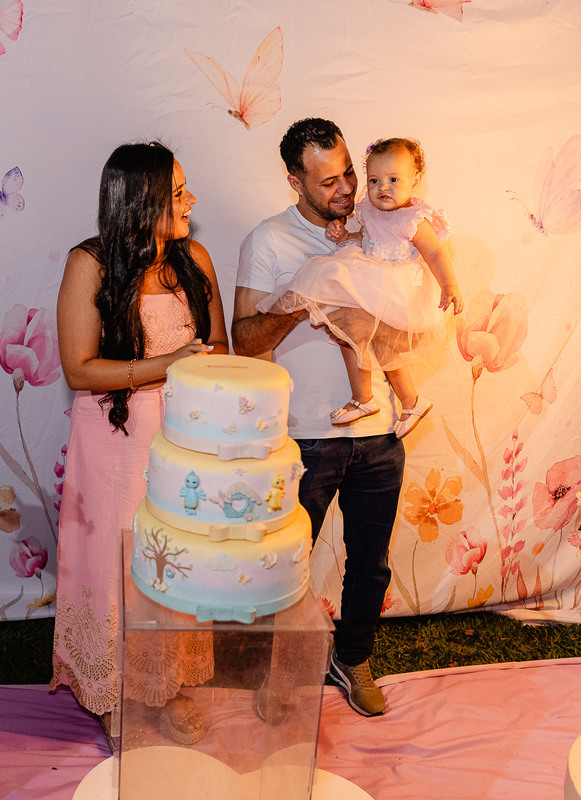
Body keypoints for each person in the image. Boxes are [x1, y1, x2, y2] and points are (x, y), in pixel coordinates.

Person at [50, 141, 229, 746]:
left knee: (170, 564)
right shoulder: (90, 264)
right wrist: (163, 364)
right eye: (178, 193)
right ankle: (110, 690)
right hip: (115, 440)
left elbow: (221, 353)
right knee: (117, 565)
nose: (191, 201)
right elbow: (78, 370)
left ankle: (170, 683)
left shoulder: (195, 259)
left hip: (184, 444)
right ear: (141, 199)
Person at [233, 118, 401, 717]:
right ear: (293, 180)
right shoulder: (269, 241)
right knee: (284, 563)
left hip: (378, 430)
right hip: (305, 438)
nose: (347, 189)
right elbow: (245, 341)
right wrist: (295, 302)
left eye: (349, 172)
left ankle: (352, 661)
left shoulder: (376, 226)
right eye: (328, 180)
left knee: (371, 564)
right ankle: (279, 672)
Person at [258, 137, 463, 439]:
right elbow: (367, 242)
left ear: (415, 180)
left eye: (394, 179)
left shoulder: (414, 219)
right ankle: (404, 401)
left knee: (362, 330)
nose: (383, 188)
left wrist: (449, 285)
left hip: (399, 287)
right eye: (375, 180)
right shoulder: (368, 209)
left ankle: (367, 399)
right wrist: (343, 237)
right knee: (361, 336)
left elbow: (434, 253)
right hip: (374, 277)